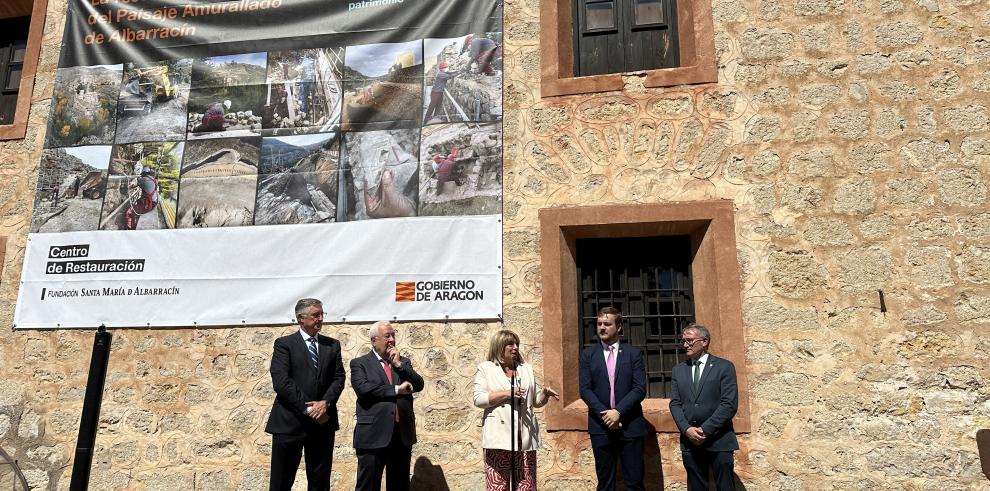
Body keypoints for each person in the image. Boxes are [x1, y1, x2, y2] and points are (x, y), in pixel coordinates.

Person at [265, 298, 346, 491]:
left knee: (320, 481)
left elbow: (339, 378)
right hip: (289, 423)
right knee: (281, 481)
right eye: (315, 315)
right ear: (301, 318)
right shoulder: (284, 345)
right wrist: (310, 408)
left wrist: (325, 403)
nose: (320, 319)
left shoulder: (332, 345)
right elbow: (282, 382)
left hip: (322, 423)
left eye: (321, 314)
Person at [473, 330, 559, 491]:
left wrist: (544, 394)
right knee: (498, 486)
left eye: (517, 344)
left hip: (524, 438)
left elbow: (535, 401)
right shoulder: (486, 368)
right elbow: (478, 399)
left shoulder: (526, 369)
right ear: (499, 347)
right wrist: (507, 393)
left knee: (526, 486)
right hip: (498, 438)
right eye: (510, 344)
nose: (515, 348)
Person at [579, 307, 647, 491]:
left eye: (607, 324)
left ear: (619, 326)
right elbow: (585, 389)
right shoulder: (588, 355)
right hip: (600, 426)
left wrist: (618, 412)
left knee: (634, 482)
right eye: (599, 324)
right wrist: (606, 415)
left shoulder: (633, 354)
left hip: (630, 425)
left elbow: (640, 388)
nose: (602, 327)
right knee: (605, 483)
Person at [351, 321, 425, 491]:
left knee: (399, 485)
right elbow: (363, 389)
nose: (392, 339)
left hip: (401, 434)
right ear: (373, 340)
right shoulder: (360, 363)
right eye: (387, 336)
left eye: (393, 335)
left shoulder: (403, 362)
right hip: (373, 434)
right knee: (368, 485)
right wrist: (397, 389)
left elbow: (419, 384)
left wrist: (399, 365)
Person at [669, 323, 739, 491]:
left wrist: (705, 429)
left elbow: (729, 404)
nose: (685, 345)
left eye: (690, 341)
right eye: (683, 341)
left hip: (720, 439)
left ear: (704, 341)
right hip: (690, 442)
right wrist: (687, 429)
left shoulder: (724, 367)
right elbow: (675, 403)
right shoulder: (679, 370)